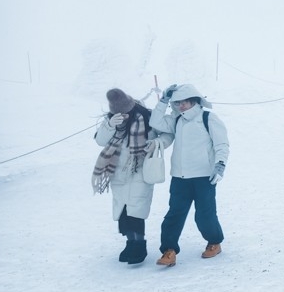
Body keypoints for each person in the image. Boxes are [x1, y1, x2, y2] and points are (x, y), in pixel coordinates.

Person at [150, 83, 229, 267]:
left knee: (204, 215)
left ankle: (214, 242)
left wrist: (220, 165)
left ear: (194, 101)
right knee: (174, 215)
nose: (181, 106)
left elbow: (222, 144)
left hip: (204, 177)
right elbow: (155, 122)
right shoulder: (176, 120)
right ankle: (169, 251)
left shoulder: (208, 118)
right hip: (180, 178)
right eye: (177, 103)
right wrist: (164, 100)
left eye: (184, 102)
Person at [92, 88, 165, 264]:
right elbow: (100, 141)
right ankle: (130, 242)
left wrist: (156, 143)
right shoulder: (111, 120)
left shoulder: (146, 116)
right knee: (123, 211)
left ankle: (140, 245)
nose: (123, 115)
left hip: (139, 170)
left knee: (136, 210)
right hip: (117, 172)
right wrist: (110, 124)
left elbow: (165, 134)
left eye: (124, 111)